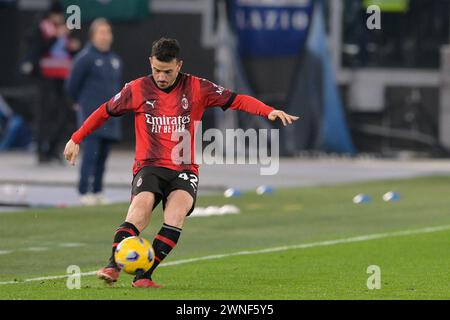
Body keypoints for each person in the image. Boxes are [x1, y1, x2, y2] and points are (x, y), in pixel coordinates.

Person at [63, 37, 299, 288]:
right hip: (150, 165)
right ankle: (113, 264)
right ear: (150, 63)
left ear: (179, 65)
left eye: (167, 71)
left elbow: (236, 99)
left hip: (184, 168)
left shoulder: (198, 87)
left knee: (175, 217)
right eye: (156, 70)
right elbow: (104, 111)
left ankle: (144, 275)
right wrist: (76, 138)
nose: (161, 77)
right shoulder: (137, 89)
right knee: (140, 212)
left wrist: (268, 111)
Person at [66, 19, 122, 205]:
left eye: (108, 32)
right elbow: (72, 85)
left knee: (103, 156)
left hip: (110, 117)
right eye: (101, 32)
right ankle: (84, 191)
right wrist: (78, 103)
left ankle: (98, 190)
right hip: (90, 116)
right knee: (90, 155)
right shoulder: (85, 58)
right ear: (93, 35)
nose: (105, 36)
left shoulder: (115, 60)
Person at [21, 1, 80, 163]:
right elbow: (38, 49)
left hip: (62, 76)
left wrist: (72, 47)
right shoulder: (42, 28)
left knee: (66, 111)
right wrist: (55, 36)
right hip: (45, 77)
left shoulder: (63, 29)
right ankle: (41, 151)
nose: (59, 18)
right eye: (56, 15)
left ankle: (53, 148)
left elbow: (65, 51)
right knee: (43, 113)